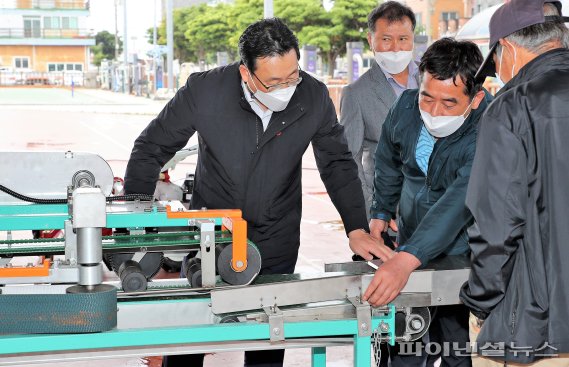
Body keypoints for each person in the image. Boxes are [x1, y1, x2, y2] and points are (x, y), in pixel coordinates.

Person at [124, 17, 389, 367]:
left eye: (292, 75)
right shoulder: (205, 92)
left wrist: (355, 226)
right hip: (210, 235)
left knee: (269, 337)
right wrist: (137, 222)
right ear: (245, 74)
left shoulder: (312, 95)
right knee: (192, 337)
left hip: (276, 235)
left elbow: (338, 162)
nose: (287, 87)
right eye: (274, 81)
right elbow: (150, 147)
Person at [362, 38, 492, 366]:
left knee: (453, 343)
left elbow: (457, 202)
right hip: (409, 234)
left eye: (449, 103)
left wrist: (405, 260)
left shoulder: (489, 129)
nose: (434, 112)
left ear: (475, 99)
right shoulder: (407, 105)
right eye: (427, 97)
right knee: (405, 340)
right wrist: (381, 209)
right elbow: (388, 158)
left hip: (460, 249)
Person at [459, 0, 569, 365]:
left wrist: (480, 302)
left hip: (537, 328)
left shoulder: (511, 107)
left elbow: (496, 227)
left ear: (507, 48)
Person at [340, 1, 419, 222]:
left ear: (412, 38)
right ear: (370, 40)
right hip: (387, 214)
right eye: (386, 39)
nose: (395, 48)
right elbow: (350, 160)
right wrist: (373, 212)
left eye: (403, 39)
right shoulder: (355, 94)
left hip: (439, 209)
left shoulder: (435, 78)